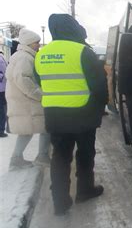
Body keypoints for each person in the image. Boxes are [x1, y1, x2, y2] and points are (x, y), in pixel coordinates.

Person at [35, 14, 108, 216]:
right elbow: (99, 86)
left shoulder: (41, 54)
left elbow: (39, 81)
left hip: (54, 115)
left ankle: (60, 202)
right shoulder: (83, 52)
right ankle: (84, 190)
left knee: (60, 156)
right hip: (82, 114)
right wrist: (100, 107)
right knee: (85, 154)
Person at [5, 29, 51, 168]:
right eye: (36, 42)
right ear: (29, 43)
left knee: (29, 131)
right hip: (28, 102)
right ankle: (40, 156)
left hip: (23, 101)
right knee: (44, 128)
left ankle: (18, 158)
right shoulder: (25, 57)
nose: (38, 45)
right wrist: (38, 93)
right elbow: (22, 79)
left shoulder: (21, 56)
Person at [0, 50, 7, 137]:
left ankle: (1, 129)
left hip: (2, 88)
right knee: (1, 110)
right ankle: (1, 130)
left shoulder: (2, 57)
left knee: (2, 109)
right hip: (1, 88)